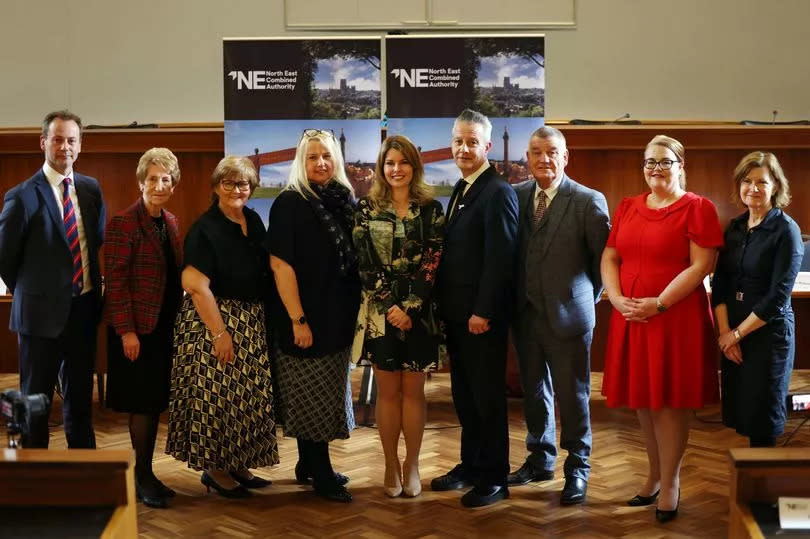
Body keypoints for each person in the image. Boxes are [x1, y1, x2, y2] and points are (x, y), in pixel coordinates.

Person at [601, 135, 723, 523]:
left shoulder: (697, 208)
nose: (656, 169)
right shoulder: (628, 207)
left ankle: (670, 482)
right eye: (649, 162)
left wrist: (660, 303)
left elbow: (700, 266)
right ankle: (653, 475)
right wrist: (617, 299)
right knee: (643, 400)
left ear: (680, 165)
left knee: (669, 402)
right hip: (632, 316)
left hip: (674, 319)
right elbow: (610, 255)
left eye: (664, 162)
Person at [166, 156, 277, 498]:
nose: (236, 190)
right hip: (213, 320)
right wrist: (220, 333)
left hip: (250, 320)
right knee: (216, 399)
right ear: (216, 187)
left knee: (244, 399)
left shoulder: (253, 221)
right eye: (228, 183)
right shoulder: (205, 228)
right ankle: (214, 470)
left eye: (243, 183)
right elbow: (196, 284)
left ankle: (237, 464)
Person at [509, 127, 610, 505]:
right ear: (527, 157)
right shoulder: (516, 197)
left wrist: (585, 300)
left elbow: (603, 263)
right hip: (526, 317)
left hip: (570, 317)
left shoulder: (587, 201)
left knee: (573, 394)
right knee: (534, 392)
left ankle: (578, 468)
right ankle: (539, 460)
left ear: (565, 157)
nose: (543, 159)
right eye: (536, 152)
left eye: (551, 152)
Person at [0, 110, 105, 448]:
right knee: (35, 406)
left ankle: (84, 482)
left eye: (71, 140)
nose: (65, 147)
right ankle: (36, 485)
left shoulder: (90, 190)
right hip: (39, 319)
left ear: (80, 145)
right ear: (43, 142)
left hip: (83, 314)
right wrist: (35, 294)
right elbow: (5, 259)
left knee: (80, 406)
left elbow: (95, 242)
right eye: (58, 139)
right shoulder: (22, 196)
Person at [267, 129, 361, 503]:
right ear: (300, 162)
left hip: (336, 314)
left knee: (324, 391)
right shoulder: (290, 203)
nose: (320, 163)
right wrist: (297, 320)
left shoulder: (343, 199)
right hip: (304, 317)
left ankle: (307, 464)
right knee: (311, 395)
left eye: (326, 156)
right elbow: (280, 264)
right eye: (312, 157)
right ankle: (320, 473)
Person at [430, 109, 519, 508]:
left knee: (486, 398)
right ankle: (470, 464)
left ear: (487, 146)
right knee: (465, 397)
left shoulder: (498, 191)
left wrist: (483, 311)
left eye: (472, 142)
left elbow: (501, 260)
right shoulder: (462, 188)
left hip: (481, 318)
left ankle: (494, 476)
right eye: (458, 142)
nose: (464, 148)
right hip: (457, 315)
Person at [352, 135, 445, 498]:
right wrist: (392, 305)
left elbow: (433, 261)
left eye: (403, 162)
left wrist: (411, 308)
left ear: (414, 167)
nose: (396, 169)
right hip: (380, 312)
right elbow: (365, 263)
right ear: (381, 168)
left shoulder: (432, 210)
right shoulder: (366, 209)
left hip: (420, 314)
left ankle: (413, 464)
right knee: (387, 394)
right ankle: (390, 463)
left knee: (415, 392)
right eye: (390, 163)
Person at [104, 148, 183, 508]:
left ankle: (148, 473)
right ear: (141, 182)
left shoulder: (171, 222)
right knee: (142, 405)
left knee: (154, 403)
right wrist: (127, 332)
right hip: (136, 332)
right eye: (153, 178)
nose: (160, 184)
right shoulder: (124, 223)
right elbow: (115, 281)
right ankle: (140, 477)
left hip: (163, 327)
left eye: (167, 179)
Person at [712, 151, 803, 448]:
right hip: (734, 332)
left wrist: (735, 334)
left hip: (767, 336)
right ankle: (750, 487)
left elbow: (777, 296)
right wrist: (726, 333)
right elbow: (722, 283)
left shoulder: (786, 230)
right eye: (747, 181)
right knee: (742, 412)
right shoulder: (736, 228)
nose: (753, 188)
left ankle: (763, 494)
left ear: (775, 186)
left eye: (761, 182)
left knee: (762, 421)